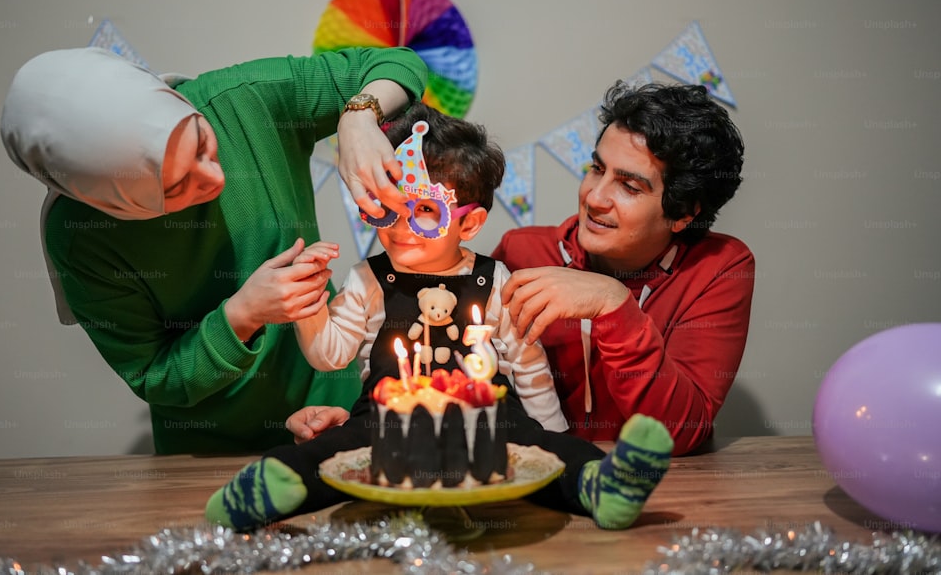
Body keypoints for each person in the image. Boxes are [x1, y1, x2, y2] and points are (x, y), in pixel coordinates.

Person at [205, 103, 674, 533]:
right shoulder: (367, 279)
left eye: (424, 212)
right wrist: (308, 307)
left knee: (544, 455)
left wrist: (553, 438)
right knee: (333, 454)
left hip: (491, 419)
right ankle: (272, 486)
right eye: (388, 210)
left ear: (468, 224)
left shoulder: (497, 278)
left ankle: (599, 484)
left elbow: (528, 366)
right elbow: (330, 355)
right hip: (387, 418)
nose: (401, 228)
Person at [0, 45, 429, 455]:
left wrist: (358, 118)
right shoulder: (80, 237)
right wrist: (243, 315)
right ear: (109, 206)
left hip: (335, 412)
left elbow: (395, 62)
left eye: (202, 142)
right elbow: (155, 374)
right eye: (174, 188)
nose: (215, 179)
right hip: (209, 451)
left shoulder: (241, 102)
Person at [287, 82, 753, 458]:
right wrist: (366, 422)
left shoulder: (719, 269)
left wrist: (614, 305)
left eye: (628, 185)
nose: (595, 197)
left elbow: (680, 434)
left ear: (683, 213)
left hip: (657, 490)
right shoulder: (524, 252)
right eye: (596, 169)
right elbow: (473, 363)